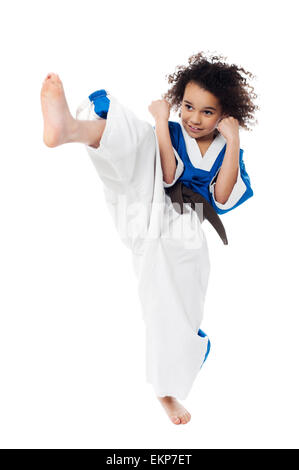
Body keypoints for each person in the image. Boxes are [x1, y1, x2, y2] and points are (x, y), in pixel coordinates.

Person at [40, 52, 258, 426]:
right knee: (137, 140)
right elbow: (168, 174)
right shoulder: (170, 130)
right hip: (149, 201)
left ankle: (166, 389)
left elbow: (222, 197)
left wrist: (234, 140)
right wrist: (160, 121)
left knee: (174, 311)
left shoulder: (226, 147)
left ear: (224, 115)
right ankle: (72, 129)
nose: (193, 118)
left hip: (186, 232)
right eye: (188, 107)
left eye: (208, 112)